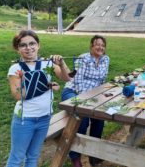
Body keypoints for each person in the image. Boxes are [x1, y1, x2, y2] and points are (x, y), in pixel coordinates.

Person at [6, 30, 70, 167]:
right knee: (17, 157)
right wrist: (40, 84)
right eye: (23, 45)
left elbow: (67, 77)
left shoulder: (47, 64)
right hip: (25, 119)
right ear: (18, 49)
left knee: (33, 156)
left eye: (32, 43)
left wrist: (61, 64)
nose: (28, 48)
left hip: (45, 117)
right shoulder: (15, 68)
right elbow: (18, 96)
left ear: (38, 45)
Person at [61, 35, 110, 167]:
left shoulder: (105, 59)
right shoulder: (83, 58)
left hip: (93, 94)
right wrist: (86, 101)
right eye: (97, 44)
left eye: (103, 45)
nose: (100, 47)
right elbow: (78, 81)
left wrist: (98, 96)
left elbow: (102, 79)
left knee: (99, 118)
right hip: (74, 91)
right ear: (91, 46)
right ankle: (75, 157)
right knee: (81, 119)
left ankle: (93, 155)